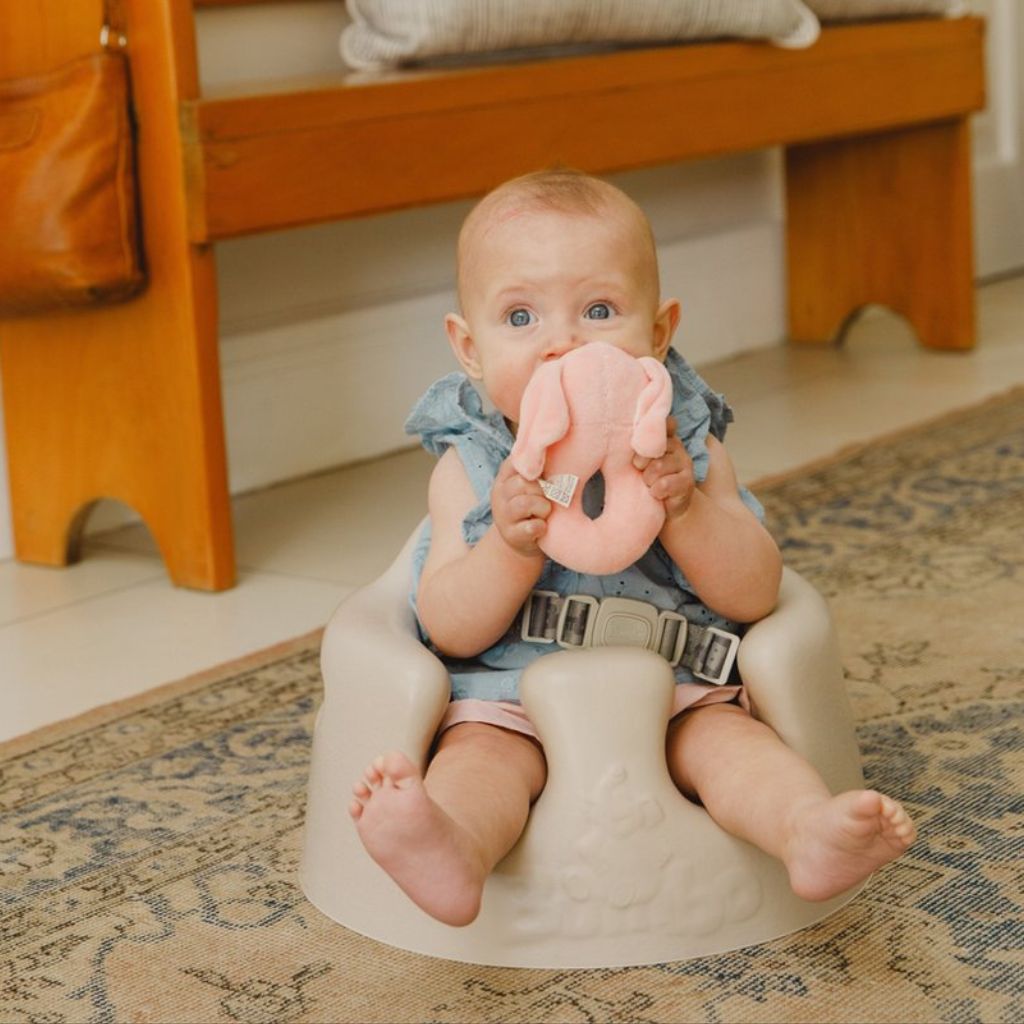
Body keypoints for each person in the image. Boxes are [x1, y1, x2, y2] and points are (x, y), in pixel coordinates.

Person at [349, 169, 916, 927]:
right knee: (480, 764)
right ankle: (450, 847)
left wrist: (684, 507)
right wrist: (509, 550)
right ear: (469, 348)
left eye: (599, 309)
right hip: (509, 693)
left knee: (735, 751)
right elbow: (447, 627)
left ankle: (804, 831)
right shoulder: (473, 468)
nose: (563, 343)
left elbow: (755, 594)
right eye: (520, 316)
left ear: (657, 332)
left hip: (678, 682)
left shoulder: (688, 449)